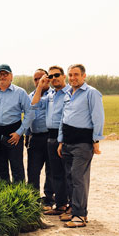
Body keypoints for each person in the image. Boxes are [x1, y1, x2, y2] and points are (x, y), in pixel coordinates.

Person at [57, 64, 104, 228]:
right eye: (70, 75)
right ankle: (73, 210)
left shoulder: (91, 93)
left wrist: (96, 141)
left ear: (84, 76)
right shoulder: (68, 94)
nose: (72, 78)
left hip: (82, 143)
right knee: (70, 178)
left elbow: (98, 117)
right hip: (68, 143)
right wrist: (61, 141)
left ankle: (80, 215)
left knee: (79, 178)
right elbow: (64, 118)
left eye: (76, 75)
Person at [0, 64, 33, 183]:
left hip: (13, 134)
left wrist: (19, 133)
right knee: (0, 168)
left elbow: (30, 113)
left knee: (17, 167)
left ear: (11, 76)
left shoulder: (20, 92)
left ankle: (19, 198)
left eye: (5, 74)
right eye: (0, 74)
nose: (2, 76)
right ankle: (5, 198)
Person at [31, 66, 71, 215]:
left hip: (65, 135)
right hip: (51, 136)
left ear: (63, 76)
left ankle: (71, 206)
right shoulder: (51, 95)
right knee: (56, 173)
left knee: (68, 173)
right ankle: (60, 205)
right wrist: (40, 87)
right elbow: (34, 104)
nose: (54, 79)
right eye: (51, 76)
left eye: (56, 75)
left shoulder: (70, 92)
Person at [26, 69, 51, 199]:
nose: (38, 81)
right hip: (35, 137)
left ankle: (48, 198)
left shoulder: (53, 95)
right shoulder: (30, 96)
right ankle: (33, 198)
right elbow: (28, 117)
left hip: (50, 136)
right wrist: (27, 136)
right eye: (35, 79)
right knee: (33, 170)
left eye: (41, 78)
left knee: (51, 171)